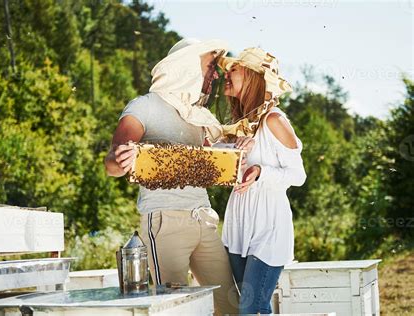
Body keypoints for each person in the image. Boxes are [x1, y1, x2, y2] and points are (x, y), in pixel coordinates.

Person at [105, 38, 238, 315]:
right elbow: (111, 164)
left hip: (204, 219)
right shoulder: (145, 106)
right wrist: (123, 158)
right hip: (165, 222)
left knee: (230, 306)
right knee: (176, 310)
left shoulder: (199, 117)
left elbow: (212, 161)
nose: (215, 74)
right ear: (187, 65)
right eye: (211, 65)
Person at [218, 47, 307, 314]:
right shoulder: (240, 125)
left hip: (268, 229)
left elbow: (298, 176)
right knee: (250, 309)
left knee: (251, 309)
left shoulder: (274, 121)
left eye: (234, 69)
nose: (227, 73)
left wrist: (260, 171)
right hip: (237, 228)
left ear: (253, 78)